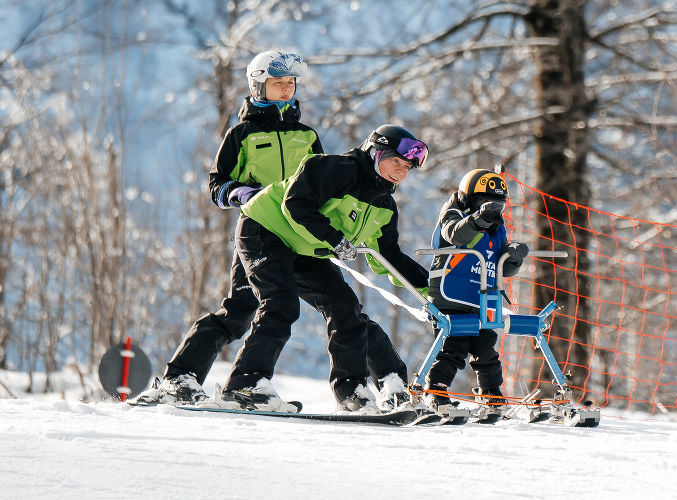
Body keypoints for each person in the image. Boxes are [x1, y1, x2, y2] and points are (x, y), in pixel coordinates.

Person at [136, 50, 321, 405]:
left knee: (271, 307)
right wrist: (238, 191)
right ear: (258, 87)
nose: (285, 90)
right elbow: (216, 185)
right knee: (241, 311)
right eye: (277, 83)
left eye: (290, 83)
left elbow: (322, 184)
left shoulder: (307, 136)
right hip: (259, 231)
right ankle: (183, 379)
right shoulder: (243, 134)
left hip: (297, 235)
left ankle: (245, 383)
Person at [217, 124, 429, 413]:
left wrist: (433, 289)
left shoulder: (385, 206)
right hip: (266, 229)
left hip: (305, 248)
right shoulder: (335, 168)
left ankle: (352, 391)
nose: (400, 171)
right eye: (396, 161)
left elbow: (388, 257)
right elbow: (296, 204)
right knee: (280, 304)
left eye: (406, 168)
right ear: (375, 153)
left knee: (345, 307)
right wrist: (336, 240)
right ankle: (246, 384)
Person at [423, 168, 529, 416]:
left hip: (482, 298)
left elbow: (500, 265)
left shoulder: (497, 229)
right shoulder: (454, 214)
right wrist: (476, 220)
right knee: (454, 346)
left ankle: (491, 394)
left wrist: (513, 257)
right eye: (484, 203)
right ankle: (435, 392)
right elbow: (453, 234)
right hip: (451, 294)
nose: (491, 211)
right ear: (468, 198)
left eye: (497, 206)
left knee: (486, 348)